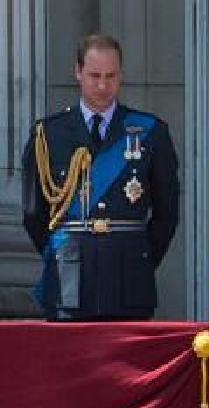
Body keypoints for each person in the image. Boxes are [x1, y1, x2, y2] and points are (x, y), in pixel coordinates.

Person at [22, 34, 179, 320]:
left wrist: (139, 258)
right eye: (94, 75)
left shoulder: (150, 131)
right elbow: (34, 213)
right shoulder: (48, 134)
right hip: (68, 279)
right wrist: (60, 254)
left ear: (121, 75)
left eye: (111, 76)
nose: (103, 85)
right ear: (78, 72)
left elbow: (167, 214)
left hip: (129, 278)